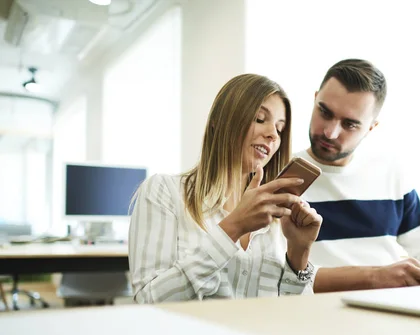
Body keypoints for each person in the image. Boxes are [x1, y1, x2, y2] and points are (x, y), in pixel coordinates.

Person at [129, 74, 322, 303]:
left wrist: (299, 252)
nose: (272, 134)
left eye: (280, 130)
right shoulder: (164, 191)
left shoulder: (277, 219)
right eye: (260, 119)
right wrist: (233, 227)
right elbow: (147, 301)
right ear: (218, 121)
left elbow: (293, 315)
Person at [295, 59, 420, 293]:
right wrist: (374, 277)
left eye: (350, 124)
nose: (330, 132)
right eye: (325, 112)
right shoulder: (275, 174)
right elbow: (273, 274)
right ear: (315, 99)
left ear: (371, 127)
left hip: (387, 312)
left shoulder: (391, 173)